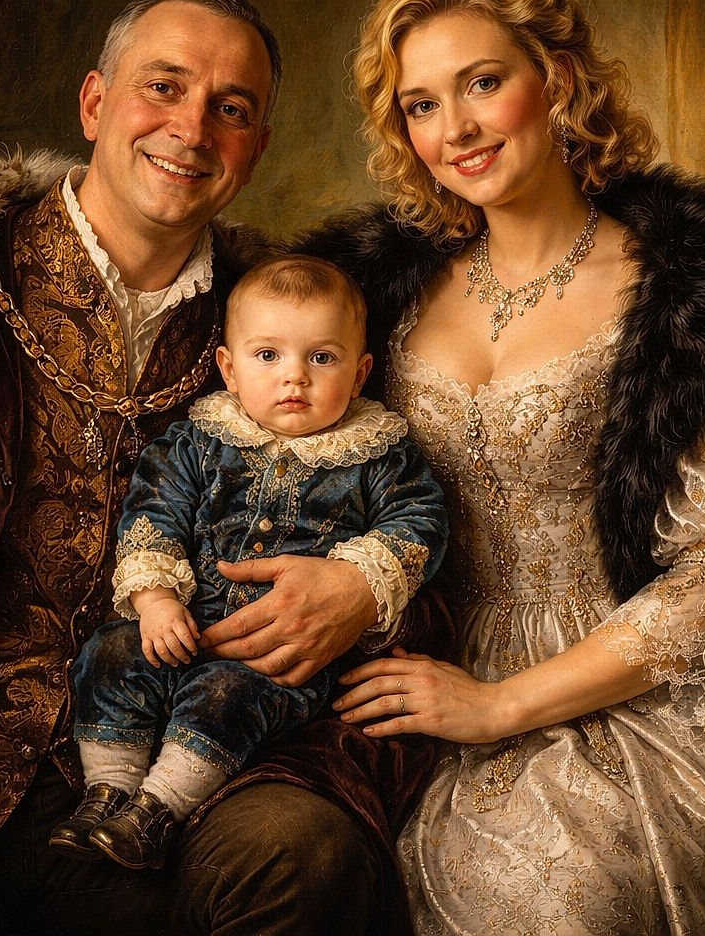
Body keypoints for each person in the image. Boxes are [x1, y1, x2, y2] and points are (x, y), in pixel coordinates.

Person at [0, 0, 446, 936]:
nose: (191, 128)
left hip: (189, 772)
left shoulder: (290, 334)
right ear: (95, 104)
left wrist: (356, 590)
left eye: (232, 108)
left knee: (302, 859)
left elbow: (415, 513)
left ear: (255, 148)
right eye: (162, 87)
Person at [299, 0, 705, 935]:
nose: (458, 129)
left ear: (557, 79)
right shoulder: (378, 300)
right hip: (426, 657)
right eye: (422, 105)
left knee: (565, 895)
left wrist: (496, 708)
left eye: (483, 82)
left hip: (641, 683)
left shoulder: (687, 292)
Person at [50, 255, 448, 870]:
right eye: (269, 357)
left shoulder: (378, 454)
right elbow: (154, 510)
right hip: (179, 622)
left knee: (228, 696)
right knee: (112, 654)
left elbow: (418, 523)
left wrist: (358, 575)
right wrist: (155, 600)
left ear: (361, 371)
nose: (296, 379)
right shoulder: (199, 441)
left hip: (280, 653)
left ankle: (158, 810)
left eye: (322, 358)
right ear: (228, 370)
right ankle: (108, 791)